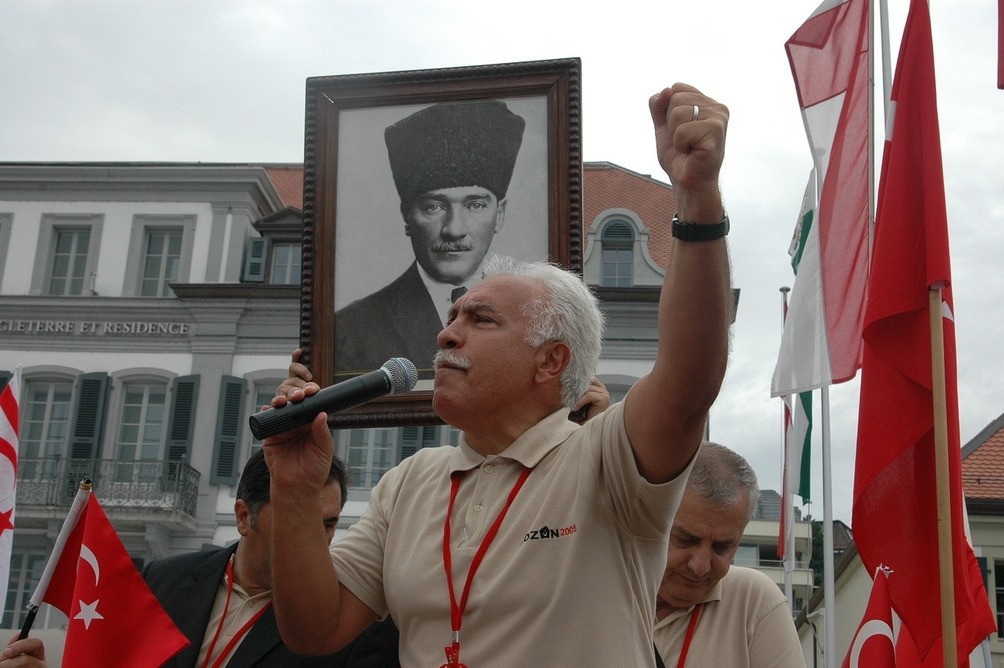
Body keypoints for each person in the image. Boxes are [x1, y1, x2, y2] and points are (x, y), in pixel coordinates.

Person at [265, 82, 733, 667]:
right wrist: (294, 491)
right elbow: (316, 630)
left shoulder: (606, 458)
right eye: (452, 317)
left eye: (480, 320)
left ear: (551, 360)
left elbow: (689, 380)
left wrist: (697, 199)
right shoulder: (409, 482)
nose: (446, 335)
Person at [140, 450, 400, 667]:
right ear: (244, 517)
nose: (317, 541)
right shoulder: (161, 580)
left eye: (327, 525)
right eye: (297, 522)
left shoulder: (358, 626)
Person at [335, 99, 526, 379]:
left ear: (499, 215)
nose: (454, 230)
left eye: (475, 205)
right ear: (407, 217)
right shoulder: (350, 330)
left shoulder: (532, 320)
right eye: (434, 207)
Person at [654, 442, 804, 667]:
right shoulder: (602, 590)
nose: (700, 566)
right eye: (686, 540)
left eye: (722, 547)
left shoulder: (754, 602)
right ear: (652, 522)